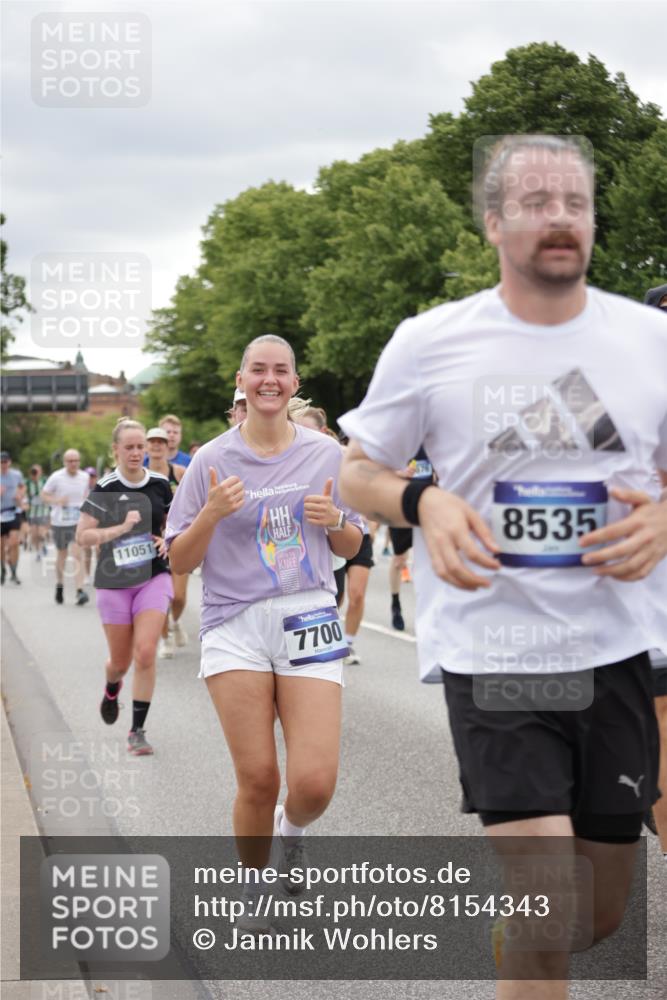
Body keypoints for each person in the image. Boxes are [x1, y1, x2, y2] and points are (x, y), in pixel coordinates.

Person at [339, 135, 667, 997]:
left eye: (574, 203)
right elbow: (356, 470)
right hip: (496, 658)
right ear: (492, 222)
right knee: (550, 905)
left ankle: (522, 944)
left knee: (596, 915)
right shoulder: (430, 343)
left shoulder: (648, 340)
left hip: (616, 652)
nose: (557, 219)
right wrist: (425, 502)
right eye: (533, 202)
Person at [166, 333, 363, 928]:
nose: (269, 380)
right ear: (241, 379)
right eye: (259, 370)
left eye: (281, 371)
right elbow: (178, 560)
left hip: (309, 611)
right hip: (235, 621)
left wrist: (335, 525)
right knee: (257, 777)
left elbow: (352, 544)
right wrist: (211, 513)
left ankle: (292, 828)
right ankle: (253, 889)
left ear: (295, 383)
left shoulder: (326, 454)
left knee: (314, 782)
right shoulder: (210, 460)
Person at [76, 419, 174, 756]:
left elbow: (175, 524)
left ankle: (137, 730)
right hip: (114, 582)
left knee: (145, 652)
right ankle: (112, 685)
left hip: (153, 576)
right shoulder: (104, 488)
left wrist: (166, 539)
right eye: (129, 447)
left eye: (140, 447)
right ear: (115, 449)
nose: (135, 453)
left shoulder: (160, 484)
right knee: (120, 662)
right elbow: (83, 535)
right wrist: (119, 528)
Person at [144, 426, 188, 657]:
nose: (157, 445)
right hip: (152, 542)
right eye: (152, 442)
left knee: (179, 597)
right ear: (147, 446)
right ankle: (165, 638)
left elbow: (194, 501)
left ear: (167, 445)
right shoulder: (141, 475)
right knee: (161, 595)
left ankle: (175, 621)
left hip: (179, 539)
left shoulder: (179, 472)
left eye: (161, 441)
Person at [388, 448, 435, 631]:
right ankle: (395, 603)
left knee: (429, 559)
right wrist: (399, 473)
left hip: (427, 505)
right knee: (399, 560)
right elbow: (377, 471)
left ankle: (428, 607)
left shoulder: (433, 443)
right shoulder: (402, 441)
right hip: (401, 506)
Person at [41, 449, 90, 605]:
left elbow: (85, 495)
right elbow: (44, 495)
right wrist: (57, 501)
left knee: (77, 554)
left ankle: (80, 591)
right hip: (60, 522)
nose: (73, 464)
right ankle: (60, 584)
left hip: (77, 521)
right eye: (70, 461)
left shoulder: (85, 477)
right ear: (64, 462)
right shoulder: (56, 477)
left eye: (76, 460)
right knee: (62, 554)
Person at [0, 451, 25, 585]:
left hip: (14, 511)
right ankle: (3, 570)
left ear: (9, 462)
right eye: (1, 462)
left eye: (5, 461)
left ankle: (14, 572)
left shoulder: (16, 474)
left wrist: (20, 495)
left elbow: (22, 486)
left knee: (14, 543)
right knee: (1, 546)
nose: (4, 464)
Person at [26, 464, 49, 559]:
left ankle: (43, 544)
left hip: (43, 510)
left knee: (40, 532)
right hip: (32, 511)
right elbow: (23, 494)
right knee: (34, 534)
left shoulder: (44, 481)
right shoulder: (27, 482)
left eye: (36, 471)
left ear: (40, 472)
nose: (35, 474)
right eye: (33, 471)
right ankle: (39, 551)